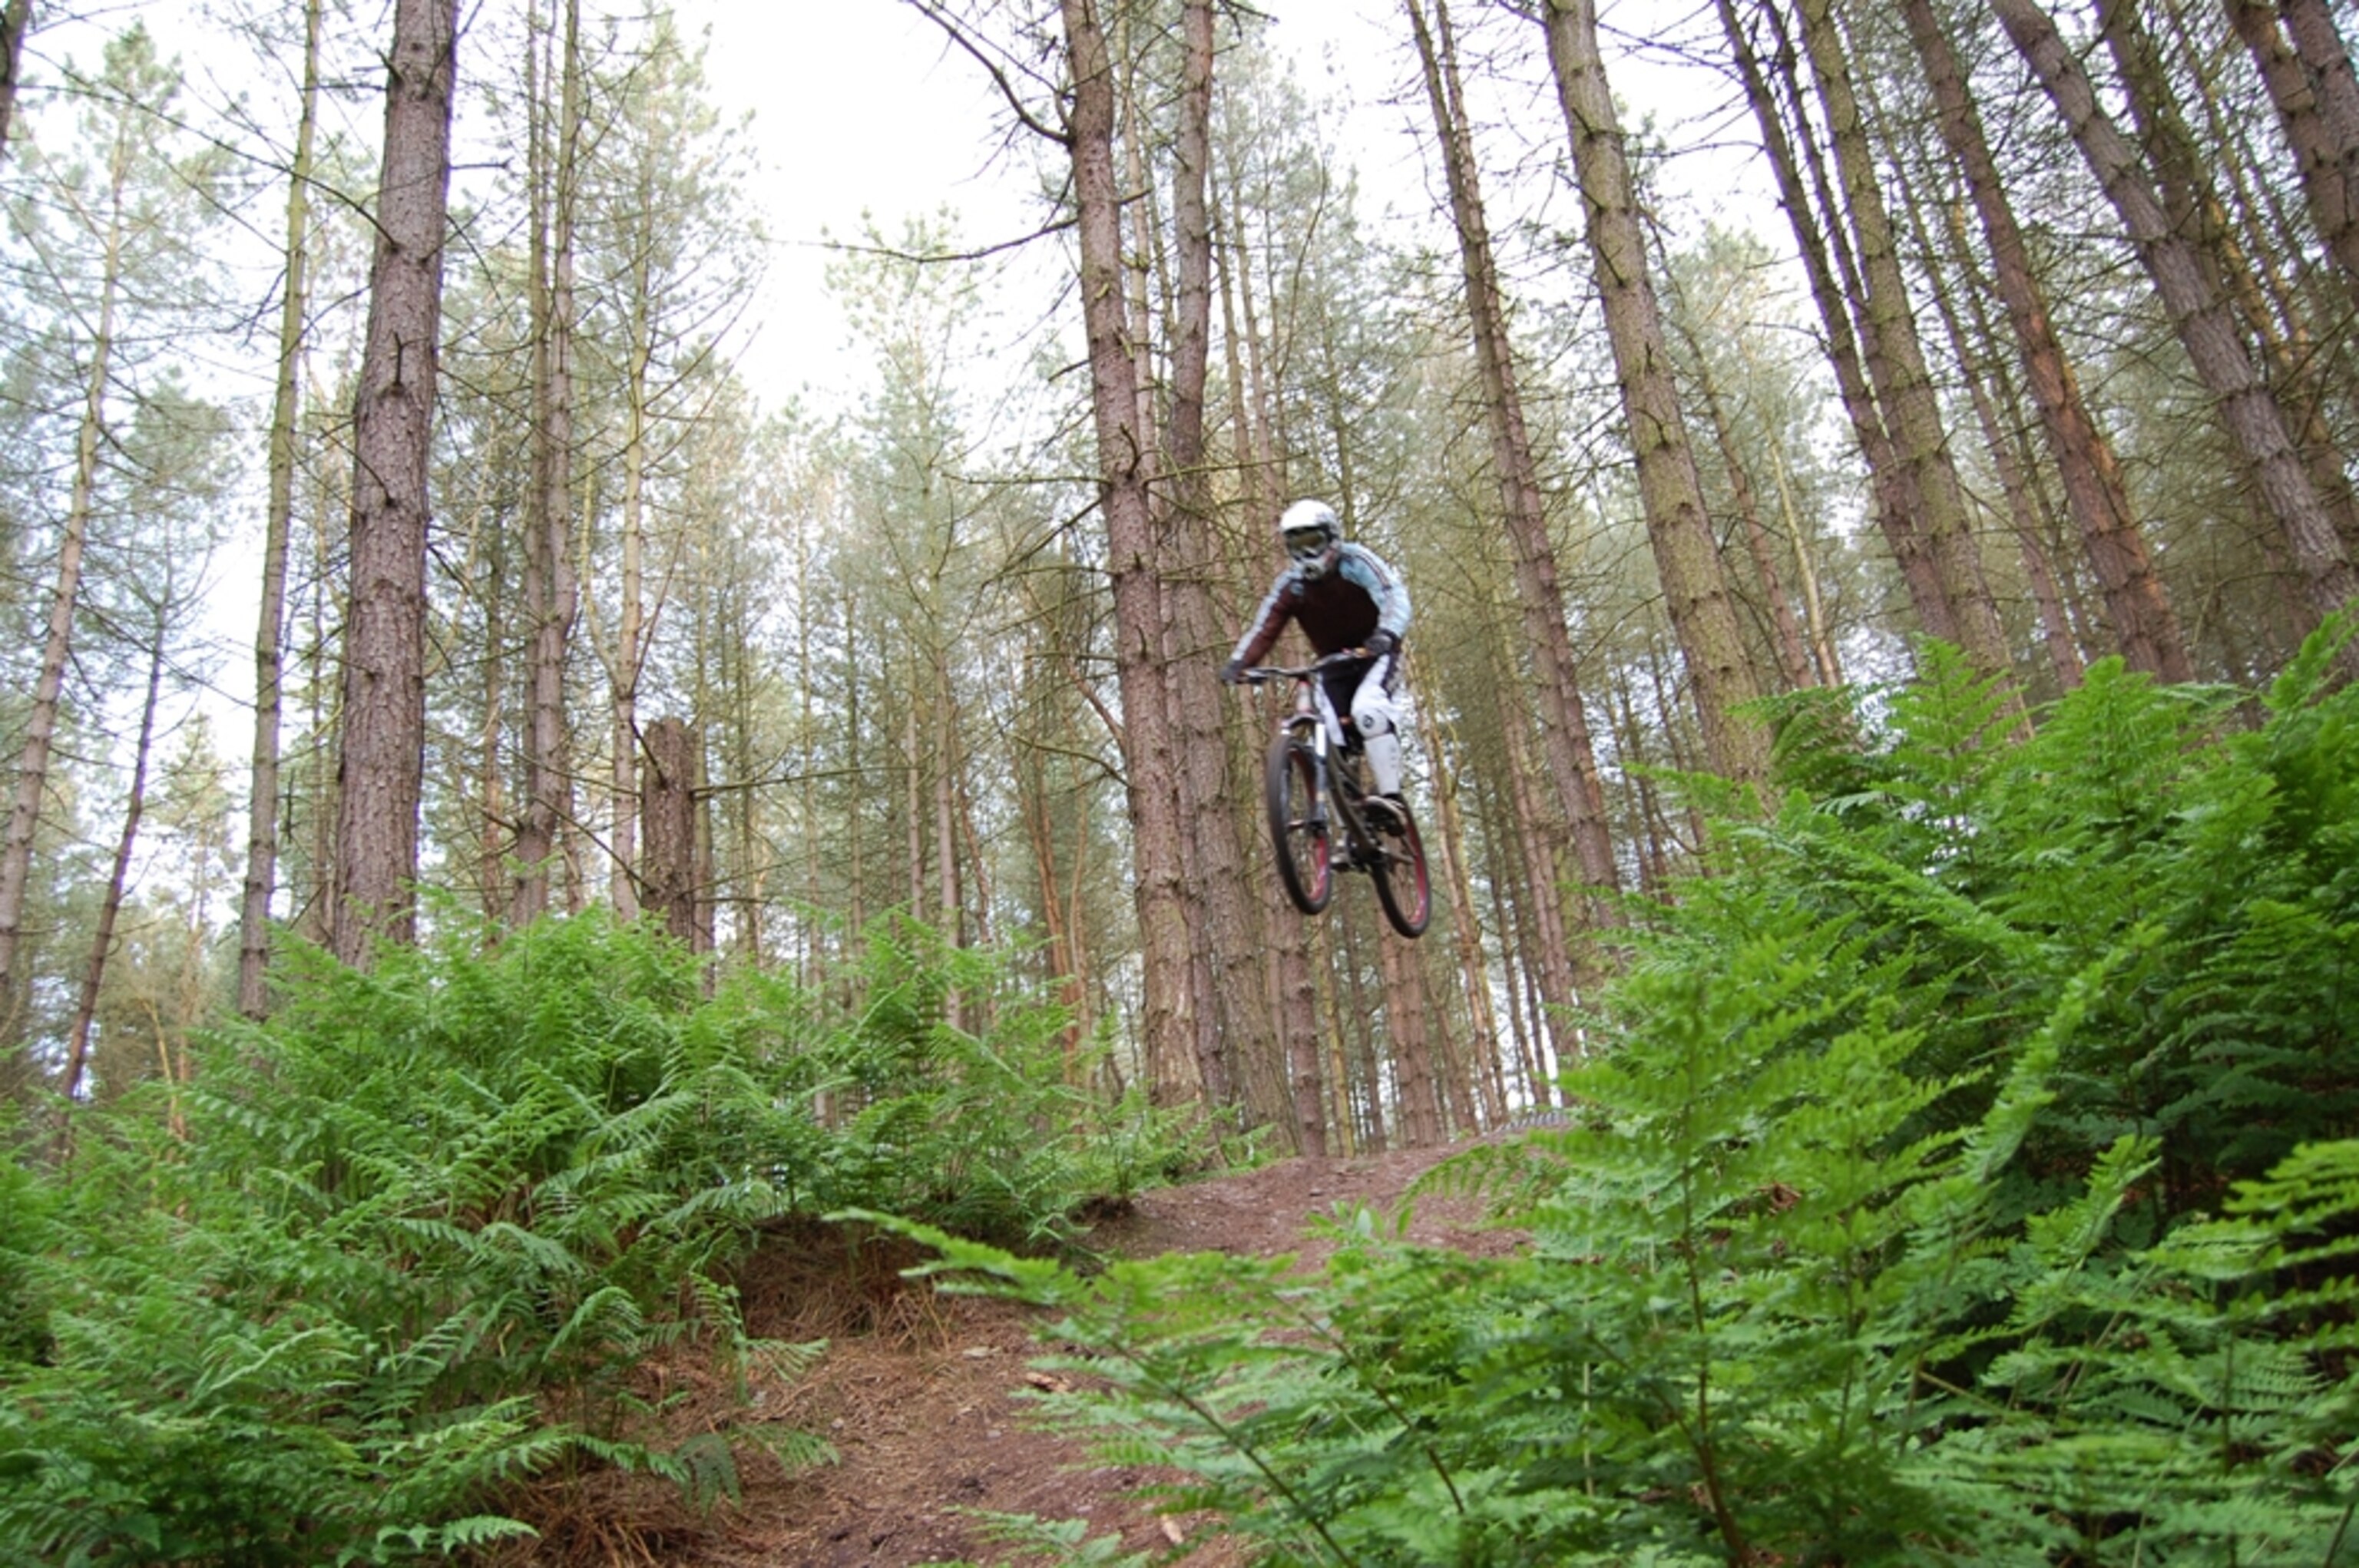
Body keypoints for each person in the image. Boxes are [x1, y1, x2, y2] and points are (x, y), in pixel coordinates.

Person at [1221, 498, 1415, 808]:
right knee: (1326, 733)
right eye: (1296, 545)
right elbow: (1265, 626)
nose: (1306, 553)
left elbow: (1393, 596)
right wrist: (1240, 663)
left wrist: (1387, 633)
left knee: (1369, 711)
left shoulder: (1357, 563)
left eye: (1312, 542)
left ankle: (1392, 800)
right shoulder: (1292, 585)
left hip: (1376, 654)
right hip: (1332, 662)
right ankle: (1351, 817)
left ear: (1332, 536)